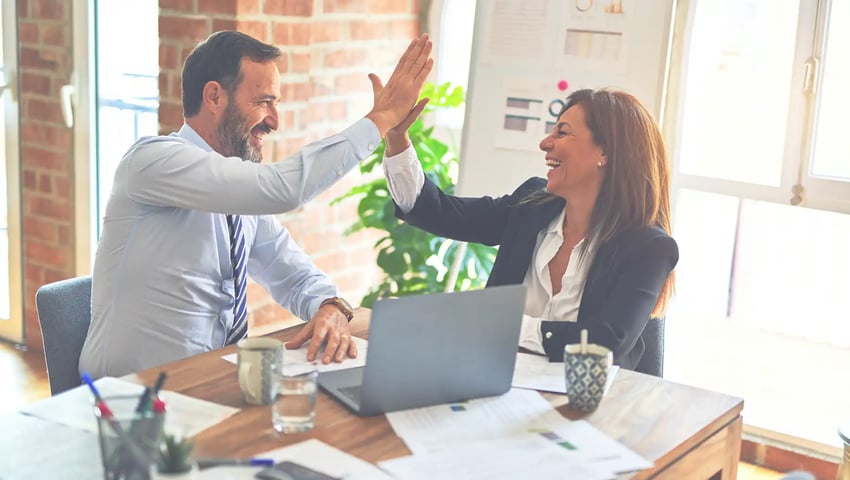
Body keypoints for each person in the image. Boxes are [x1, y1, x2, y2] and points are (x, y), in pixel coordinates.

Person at [79, 30, 433, 378]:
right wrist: (382, 118)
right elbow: (282, 189)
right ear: (214, 97)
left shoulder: (237, 195)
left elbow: (293, 274)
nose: (274, 121)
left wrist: (330, 306)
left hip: (211, 384)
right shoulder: (153, 161)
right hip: (130, 399)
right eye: (264, 102)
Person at [382, 88, 678, 371]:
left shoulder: (648, 247)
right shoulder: (531, 206)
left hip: (589, 407)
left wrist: (505, 325)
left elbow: (605, 343)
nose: (545, 143)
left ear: (605, 153)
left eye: (562, 132)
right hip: (496, 385)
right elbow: (436, 211)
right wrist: (397, 138)